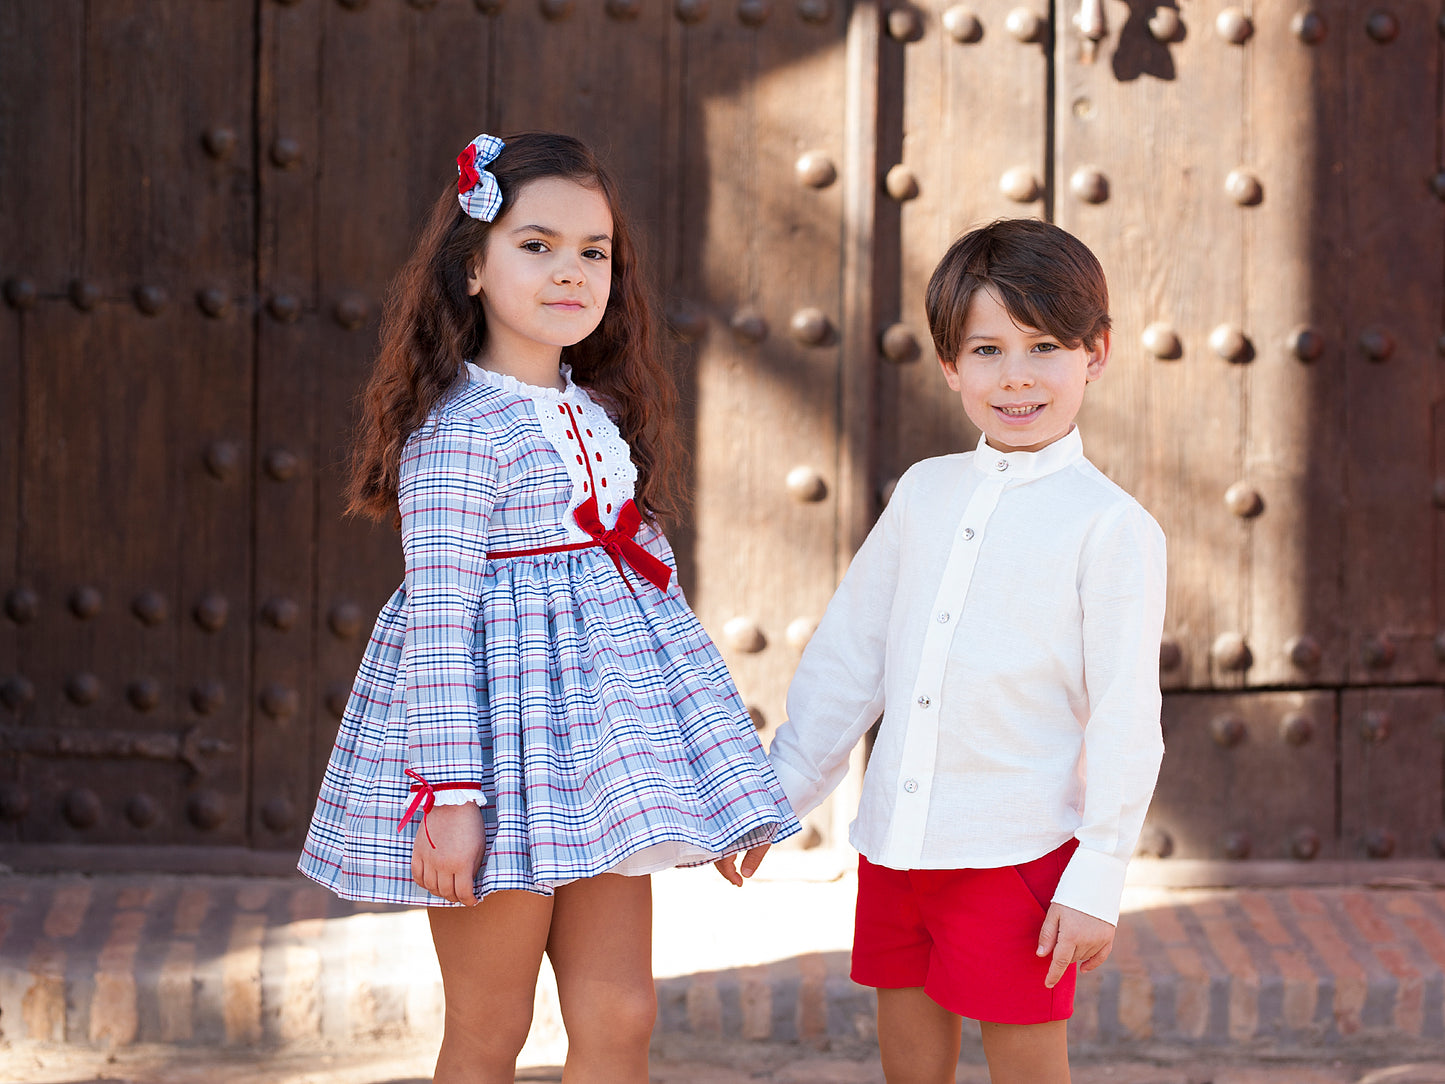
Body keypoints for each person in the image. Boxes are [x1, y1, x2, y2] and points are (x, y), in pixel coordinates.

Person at [299, 131, 799, 1084]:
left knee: (621, 1014)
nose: (570, 270)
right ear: (474, 267)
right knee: (492, 1029)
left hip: (598, 769)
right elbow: (439, 622)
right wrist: (450, 797)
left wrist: (724, 788)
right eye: (537, 245)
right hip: (491, 764)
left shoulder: (603, 416)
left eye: (593, 251)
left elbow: (657, 611)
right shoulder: (456, 434)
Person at [721, 219, 1166, 1084]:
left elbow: (1124, 714)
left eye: (1044, 346)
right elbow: (852, 654)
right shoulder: (924, 492)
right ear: (951, 363)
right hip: (899, 843)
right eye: (988, 349)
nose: (1017, 376)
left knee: (1027, 1068)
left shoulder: (1110, 527)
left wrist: (1098, 873)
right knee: (909, 1067)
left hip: (1018, 851)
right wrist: (778, 796)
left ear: (1096, 354)